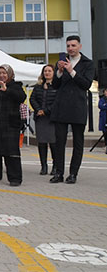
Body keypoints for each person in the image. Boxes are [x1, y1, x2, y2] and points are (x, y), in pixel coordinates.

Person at [50, 35, 95, 184]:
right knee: (59, 142)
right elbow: (55, 85)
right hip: (61, 107)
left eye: (73, 45)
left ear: (80, 46)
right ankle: (58, 173)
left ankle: (73, 173)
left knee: (78, 143)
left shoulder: (88, 64)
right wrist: (60, 72)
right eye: (68, 45)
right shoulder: (61, 62)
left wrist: (72, 71)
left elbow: (86, 84)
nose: (70, 48)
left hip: (77, 107)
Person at [29, 64, 58, 175]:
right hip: (40, 118)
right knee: (41, 143)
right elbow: (32, 99)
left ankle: (55, 166)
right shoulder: (38, 86)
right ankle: (44, 166)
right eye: (45, 71)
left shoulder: (56, 86)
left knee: (53, 143)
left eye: (49, 71)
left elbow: (57, 102)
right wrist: (38, 110)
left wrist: (45, 111)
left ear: (53, 73)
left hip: (51, 118)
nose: (47, 73)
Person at [99, 89, 107, 154]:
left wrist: (105, 105)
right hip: (104, 118)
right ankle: (106, 145)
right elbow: (100, 106)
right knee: (105, 132)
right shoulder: (102, 99)